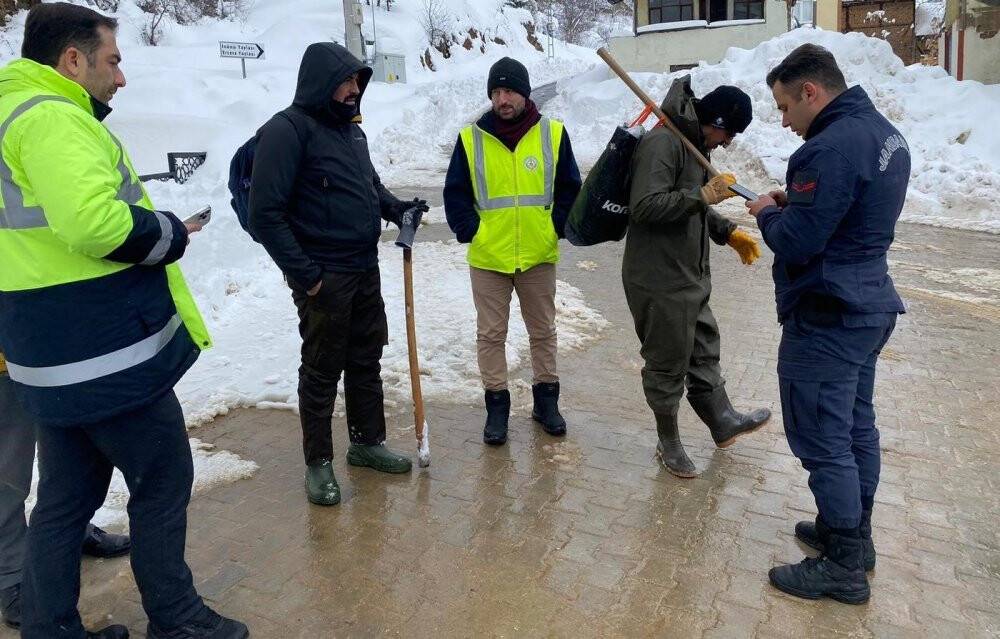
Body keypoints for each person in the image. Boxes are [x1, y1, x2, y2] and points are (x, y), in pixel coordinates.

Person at [0, 4, 247, 637]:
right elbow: (92, 222)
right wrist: (166, 232)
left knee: (65, 497)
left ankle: (49, 627)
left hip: (46, 350)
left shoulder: (10, 112)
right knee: (163, 474)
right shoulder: (52, 117)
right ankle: (177, 619)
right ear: (72, 60)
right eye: (112, 60)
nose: (121, 76)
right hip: (100, 351)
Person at [746, 43, 909, 604]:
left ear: (810, 92)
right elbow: (845, 211)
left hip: (828, 313)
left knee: (822, 438)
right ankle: (854, 537)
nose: (784, 121)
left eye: (785, 107)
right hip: (868, 304)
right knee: (856, 427)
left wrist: (770, 213)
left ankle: (842, 566)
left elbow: (798, 242)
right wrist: (795, 203)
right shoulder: (883, 134)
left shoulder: (825, 150)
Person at [249, 42, 428, 507]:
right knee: (322, 369)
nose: (353, 89)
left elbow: (370, 187)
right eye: (345, 81)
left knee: (366, 359)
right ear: (320, 82)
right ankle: (319, 463)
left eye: (357, 81)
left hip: (364, 268)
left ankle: (367, 442)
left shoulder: (352, 132)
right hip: (325, 277)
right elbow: (265, 215)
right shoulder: (287, 131)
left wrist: (398, 209)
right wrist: (308, 276)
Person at [624, 76, 771, 478]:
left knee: (704, 349)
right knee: (667, 362)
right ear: (716, 121)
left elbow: (692, 208)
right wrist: (702, 194)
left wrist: (726, 231)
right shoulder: (663, 143)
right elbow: (646, 206)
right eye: (729, 133)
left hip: (689, 275)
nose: (727, 143)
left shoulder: (693, 145)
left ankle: (722, 421)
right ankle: (668, 440)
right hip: (659, 278)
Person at [443, 57, 582, 446]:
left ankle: (546, 403)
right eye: (496, 92)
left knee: (543, 331)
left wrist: (556, 226)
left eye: (509, 91)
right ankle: (497, 408)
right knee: (491, 335)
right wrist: (472, 230)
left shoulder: (552, 134)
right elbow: (455, 193)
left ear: (524, 93)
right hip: (489, 257)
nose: (502, 99)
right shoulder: (471, 139)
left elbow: (571, 187)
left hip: (537, 254)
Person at [1, 352, 131, 631]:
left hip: (45, 350)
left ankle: (69, 532)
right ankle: (11, 571)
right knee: (6, 467)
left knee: (63, 450)